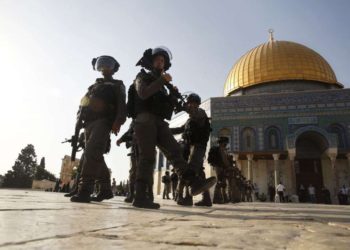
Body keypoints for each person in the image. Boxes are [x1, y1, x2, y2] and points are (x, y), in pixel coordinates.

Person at [130, 46, 216, 209]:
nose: (160, 62)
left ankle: (194, 183)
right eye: (157, 60)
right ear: (151, 62)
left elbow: (169, 107)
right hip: (145, 120)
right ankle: (140, 196)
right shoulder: (142, 76)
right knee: (147, 158)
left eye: (162, 61)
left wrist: (173, 97)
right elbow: (143, 93)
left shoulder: (164, 85)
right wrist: (163, 81)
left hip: (160, 122)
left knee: (175, 151)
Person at [70, 55, 127, 203]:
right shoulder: (93, 86)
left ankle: (85, 190)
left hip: (104, 121)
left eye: (108, 65)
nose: (105, 68)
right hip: (89, 123)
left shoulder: (117, 84)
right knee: (96, 155)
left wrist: (119, 121)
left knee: (91, 153)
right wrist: (78, 123)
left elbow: (122, 104)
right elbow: (83, 104)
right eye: (102, 66)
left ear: (113, 68)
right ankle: (106, 190)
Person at [170, 93, 213, 207]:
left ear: (197, 104)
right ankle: (206, 199)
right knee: (197, 172)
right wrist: (165, 130)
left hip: (198, 147)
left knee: (189, 172)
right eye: (190, 103)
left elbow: (194, 112)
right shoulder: (190, 120)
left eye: (193, 103)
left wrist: (184, 107)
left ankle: (188, 198)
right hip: (190, 147)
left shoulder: (201, 113)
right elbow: (180, 129)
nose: (191, 105)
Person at [116, 122, 137, 203]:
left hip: (146, 148)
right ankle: (131, 195)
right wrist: (121, 139)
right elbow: (129, 132)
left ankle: (146, 194)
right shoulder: (135, 120)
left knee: (145, 172)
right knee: (133, 172)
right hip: (135, 149)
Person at [208, 137, 231, 204]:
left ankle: (224, 198)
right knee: (220, 181)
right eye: (225, 143)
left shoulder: (223, 150)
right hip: (219, 167)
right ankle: (216, 198)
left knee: (223, 182)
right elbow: (224, 159)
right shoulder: (218, 149)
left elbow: (225, 160)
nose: (226, 144)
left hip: (223, 167)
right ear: (222, 143)